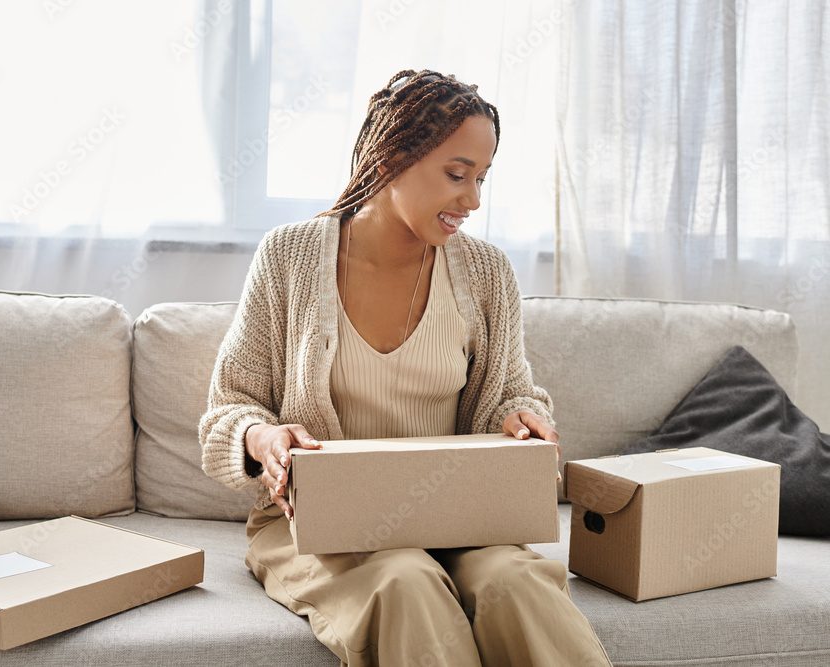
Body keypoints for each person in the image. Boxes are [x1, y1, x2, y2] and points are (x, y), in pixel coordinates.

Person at [200, 69, 612, 667]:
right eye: (456, 174)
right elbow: (227, 411)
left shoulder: (487, 273)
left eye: (482, 178)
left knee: (517, 582)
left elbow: (510, 395)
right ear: (393, 156)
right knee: (405, 581)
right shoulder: (289, 256)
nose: (472, 200)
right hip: (321, 530)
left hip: (457, 518)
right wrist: (261, 439)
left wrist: (522, 419)